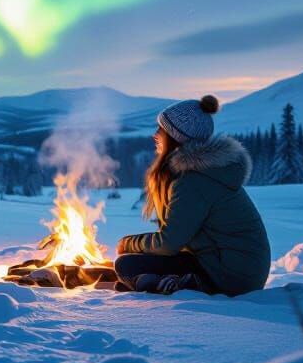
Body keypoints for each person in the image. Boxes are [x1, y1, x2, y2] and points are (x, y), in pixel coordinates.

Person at [115, 95, 270, 297]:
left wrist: (127, 243)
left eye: (160, 130)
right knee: (136, 262)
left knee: (126, 263)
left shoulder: (192, 181)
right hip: (237, 270)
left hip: (230, 276)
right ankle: (153, 283)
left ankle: (177, 285)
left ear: (175, 137)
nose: (155, 135)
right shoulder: (203, 173)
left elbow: (168, 244)